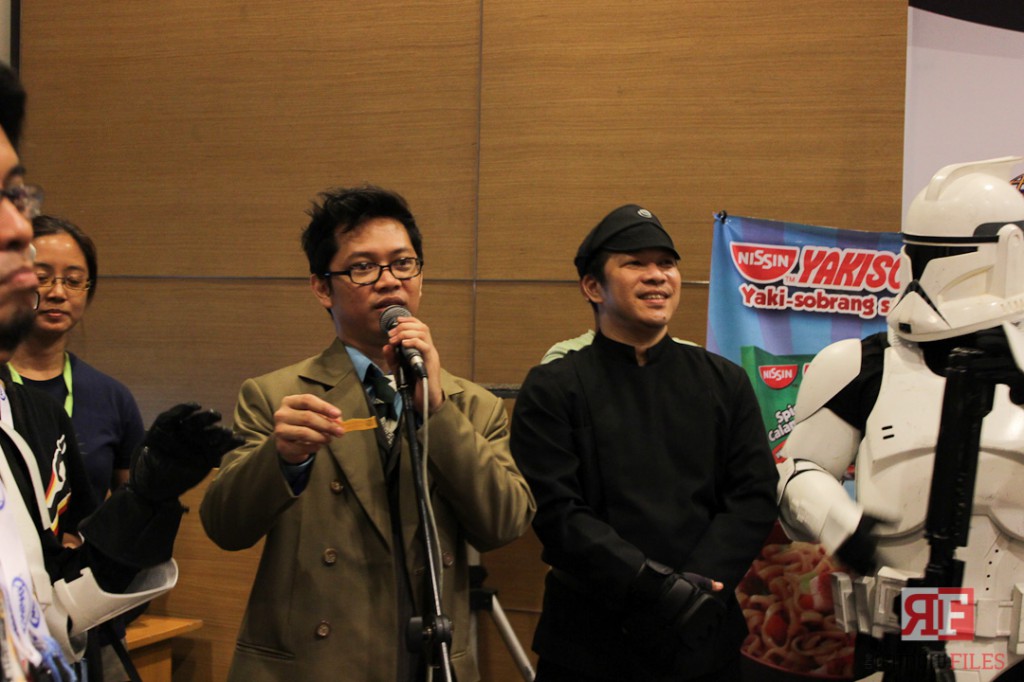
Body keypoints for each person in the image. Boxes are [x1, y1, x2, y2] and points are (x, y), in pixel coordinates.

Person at [199, 185, 535, 682]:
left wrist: (436, 411)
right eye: (363, 267)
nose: (389, 280)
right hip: (312, 666)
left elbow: (504, 522)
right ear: (322, 288)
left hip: (426, 662)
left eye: (403, 263)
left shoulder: (470, 405)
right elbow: (225, 527)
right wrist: (282, 459)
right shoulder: (278, 396)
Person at [0, 63, 239, 680]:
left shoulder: (24, 416)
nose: (18, 228)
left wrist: (147, 502)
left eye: (16, 195)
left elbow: (59, 605)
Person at [776, 157, 1024, 681]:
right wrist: (840, 522)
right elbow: (795, 473)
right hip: (898, 644)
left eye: (946, 256)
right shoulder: (858, 366)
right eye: (921, 252)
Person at [510, 204, 778, 681]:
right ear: (593, 287)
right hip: (589, 641)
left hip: (703, 635)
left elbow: (754, 495)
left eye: (666, 263)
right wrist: (653, 585)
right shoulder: (554, 386)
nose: (657, 276)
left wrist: (697, 587)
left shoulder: (724, 381)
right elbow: (556, 511)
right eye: (635, 263)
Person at [6, 214, 147, 681]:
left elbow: (131, 515)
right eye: (42, 276)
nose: (57, 292)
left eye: (73, 280)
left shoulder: (112, 397)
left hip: (83, 618)